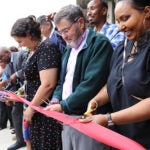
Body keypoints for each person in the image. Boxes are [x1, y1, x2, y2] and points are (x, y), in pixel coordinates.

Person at [80, 0, 150, 149]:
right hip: (121, 139)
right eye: (118, 21)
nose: (120, 27)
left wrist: (108, 118)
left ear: (147, 12)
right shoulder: (121, 47)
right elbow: (115, 82)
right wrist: (96, 100)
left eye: (125, 18)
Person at [45, 4, 113, 150]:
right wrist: (56, 99)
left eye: (66, 30)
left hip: (88, 119)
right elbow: (61, 82)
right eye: (60, 32)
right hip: (68, 117)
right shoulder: (69, 50)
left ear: (80, 23)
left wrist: (63, 106)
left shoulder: (99, 44)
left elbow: (91, 84)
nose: (64, 36)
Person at [10, 16, 62, 150]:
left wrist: (31, 108)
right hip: (36, 110)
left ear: (29, 35)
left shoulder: (47, 48)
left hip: (44, 111)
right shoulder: (33, 51)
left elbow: (48, 84)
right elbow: (32, 81)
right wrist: (20, 95)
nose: (20, 45)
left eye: (20, 41)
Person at [0, 47, 27, 150]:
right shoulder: (6, 67)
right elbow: (11, 83)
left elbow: (28, 67)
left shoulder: (21, 54)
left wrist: (17, 74)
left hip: (31, 90)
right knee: (15, 113)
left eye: (1, 58)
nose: (0, 61)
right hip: (19, 94)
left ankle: (30, 140)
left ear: (7, 52)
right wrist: (8, 96)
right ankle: (20, 141)